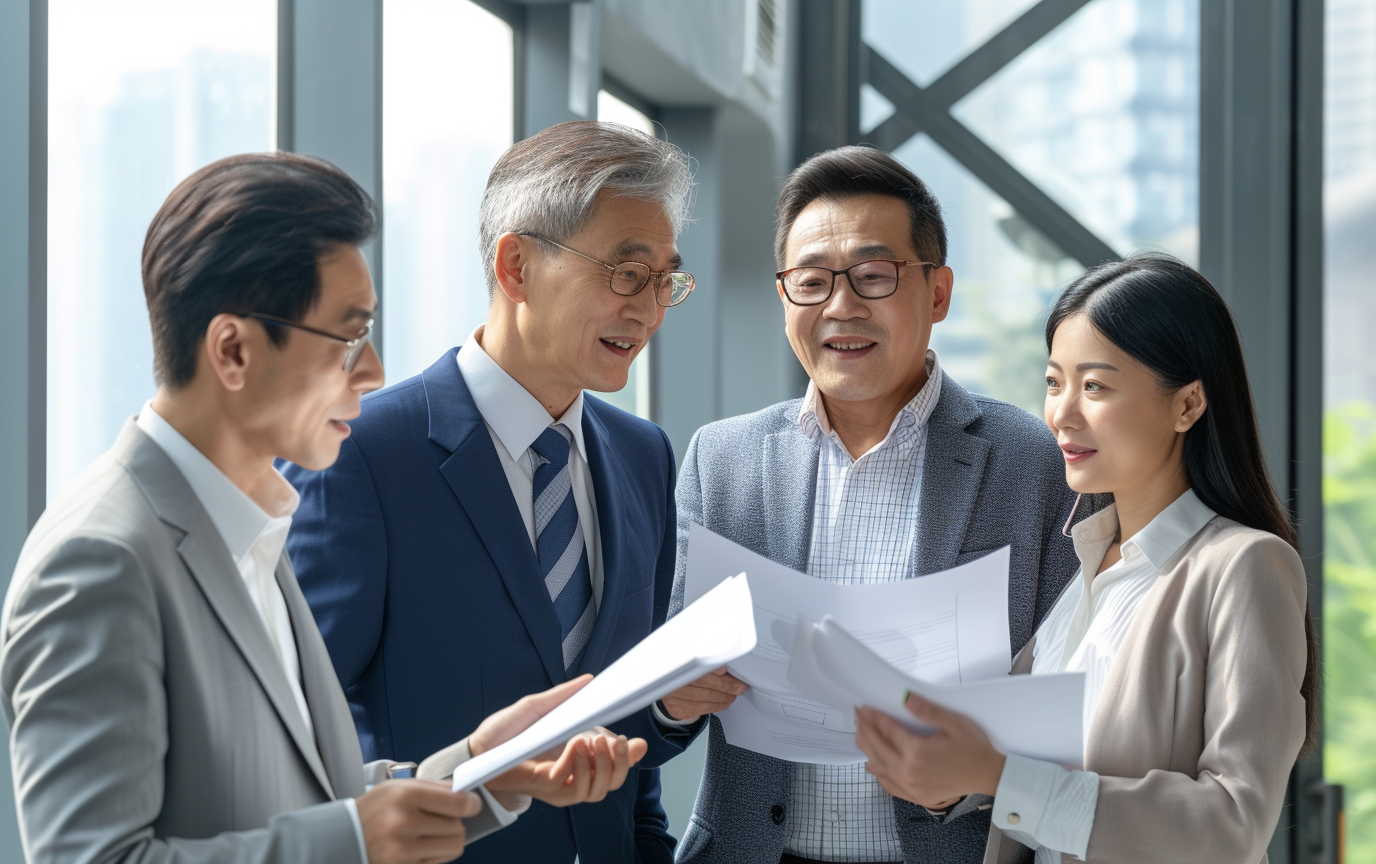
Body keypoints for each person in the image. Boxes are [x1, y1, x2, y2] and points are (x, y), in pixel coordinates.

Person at [0, 152, 646, 864]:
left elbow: (297, 797)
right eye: (346, 338)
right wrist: (351, 844)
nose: (371, 372)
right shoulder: (100, 560)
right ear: (234, 350)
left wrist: (481, 773)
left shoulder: (251, 533)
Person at [282, 120, 698, 864]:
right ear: (516, 267)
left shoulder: (645, 456)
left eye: (665, 280)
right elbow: (285, 745)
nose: (649, 309)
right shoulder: (360, 453)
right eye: (626, 272)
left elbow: (619, 735)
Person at [658, 145, 1086, 864]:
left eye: (874, 276)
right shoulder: (721, 459)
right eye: (812, 281)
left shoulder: (1030, 461)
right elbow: (662, 695)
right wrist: (674, 697)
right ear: (784, 294)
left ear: (938, 293)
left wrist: (966, 782)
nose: (840, 306)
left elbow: (1071, 710)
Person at [851, 253, 1316, 864]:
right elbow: (1025, 775)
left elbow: (1233, 825)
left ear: (1188, 404)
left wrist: (1000, 776)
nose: (1062, 415)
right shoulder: (1085, 565)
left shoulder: (1244, 567)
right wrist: (948, 774)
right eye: (1053, 382)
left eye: (1095, 386)